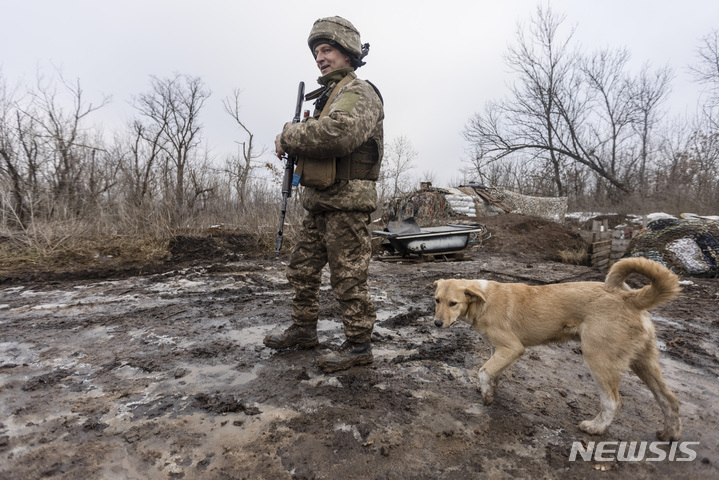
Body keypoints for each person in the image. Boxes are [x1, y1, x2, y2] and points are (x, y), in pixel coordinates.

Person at [263, 16, 384, 373]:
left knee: (348, 277)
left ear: (347, 52)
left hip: (346, 206)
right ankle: (303, 330)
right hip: (319, 203)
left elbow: (338, 134)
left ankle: (359, 344)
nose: (320, 57)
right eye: (317, 52)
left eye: (327, 49)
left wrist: (289, 135)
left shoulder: (359, 93)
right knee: (302, 271)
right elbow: (319, 139)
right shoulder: (327, 98)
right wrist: (295, 143)